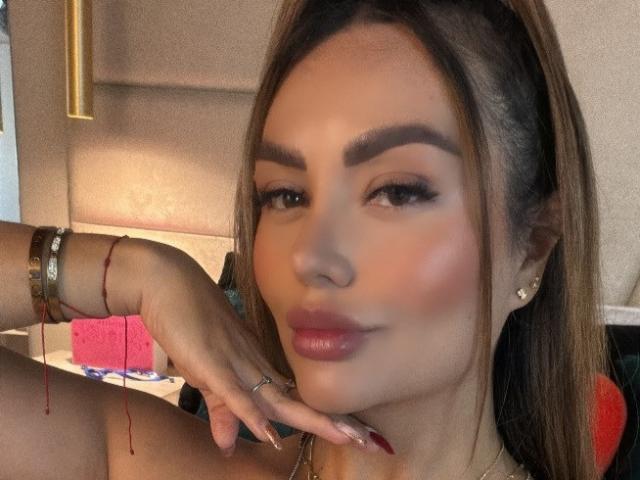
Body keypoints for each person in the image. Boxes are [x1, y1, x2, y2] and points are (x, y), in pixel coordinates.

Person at [0, 0, 609, 479]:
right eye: (285, 195)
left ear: (533, 245)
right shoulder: (148, 460)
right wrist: (141, 272)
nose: (311, 256)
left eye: (397, 191)